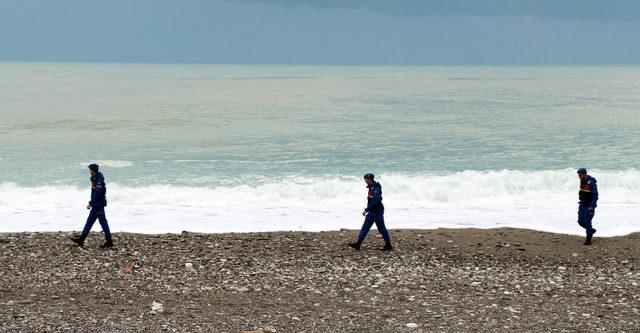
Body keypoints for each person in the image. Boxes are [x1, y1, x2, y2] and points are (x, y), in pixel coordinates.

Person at [71, 164, 113, 248]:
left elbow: (98, 192)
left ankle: (109, 241)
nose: (89, 171)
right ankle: (81, 239)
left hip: (99, 204)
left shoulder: (99, 179)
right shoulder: (95, 178)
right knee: (89, 222)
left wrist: (90, 202)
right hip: (96, 205)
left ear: (93, 170)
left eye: (90, 170)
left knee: (103, 223)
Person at [348, 173, 393, 251]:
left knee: (381, 229)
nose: (365, 181)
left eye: (365, 179)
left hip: (377, 211)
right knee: (365, 227)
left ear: (369, 179)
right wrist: (369, 210)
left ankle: (388, 245)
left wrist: (366, 210)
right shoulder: (371, 187)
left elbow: (375, 200)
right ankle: (358, 244)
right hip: (372, 211)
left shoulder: (376, 188)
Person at [577, 168, 598, 245]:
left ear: (584, 174)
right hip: (582, 204)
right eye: (578, 175)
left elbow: (595, 196)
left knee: (587, 221)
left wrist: (592, 206)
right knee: (580, 222)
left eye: (580, 175)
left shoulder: (591, 182)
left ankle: (588, 239)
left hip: (589, 206)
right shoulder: (582, 181)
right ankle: (591, 230)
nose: (578, 176)